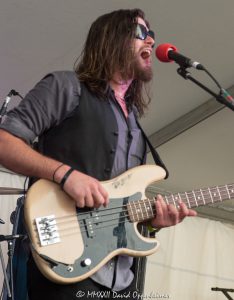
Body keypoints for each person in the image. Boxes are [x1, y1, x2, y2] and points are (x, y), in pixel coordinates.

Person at [0, 8, 197, 300]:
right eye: (141, 33)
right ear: (112, 38)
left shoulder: (135, 125)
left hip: (121, 280)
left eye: (152, 35)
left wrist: (151, 222)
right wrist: (64, 174)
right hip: (64, 265)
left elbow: (119, 206)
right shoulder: (66, 87)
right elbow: (5, 140)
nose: (151, 42)